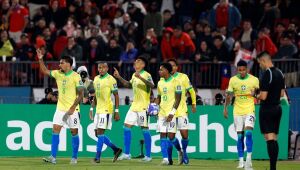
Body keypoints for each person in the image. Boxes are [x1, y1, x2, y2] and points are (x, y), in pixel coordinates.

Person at [38, 49, 84, 164]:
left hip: (73, 110)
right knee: (55, 130)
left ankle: (74, 157)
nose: (59, 65)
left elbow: (81, 94)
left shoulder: (76, 76)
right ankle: (53, 157)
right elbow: (44, 70)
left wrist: (73, 107)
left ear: (68, 64)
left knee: (74, 132)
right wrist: (40, 59)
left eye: (61, 62)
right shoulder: (58, 73)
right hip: (60, 108)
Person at [113, 56, 155, 162]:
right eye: (135, 61)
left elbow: (152, 85)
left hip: (143, 107)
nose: (135, 62)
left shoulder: (146, 74)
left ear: (143, 65)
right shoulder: (134, 75)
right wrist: (119, 77)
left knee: (144, 129)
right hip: (134, 105)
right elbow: (128, 84)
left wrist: (140, 77)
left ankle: (148, 156)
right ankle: (127, 154)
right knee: (126, 127)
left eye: (138, 61)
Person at [223, 60, 259, 169]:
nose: (242, 72)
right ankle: (241, 161)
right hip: (237, 111)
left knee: (248, 133)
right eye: (239, 70)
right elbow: (229, 96)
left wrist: (255, 95)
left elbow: (259, 93)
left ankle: (248, 159)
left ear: (247, 69)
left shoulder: (254, 80)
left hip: (249, 109)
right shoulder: (233, 80)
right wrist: (225, 108)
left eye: (243, 70)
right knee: (239, 137)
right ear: (237, 70)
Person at [255, 52, 285, 170]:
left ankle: (273, 168)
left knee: (269, 137)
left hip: (267, 108)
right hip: (277, 108)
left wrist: (255, 95)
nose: (260, 66)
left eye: (259, 63)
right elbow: (282, 94)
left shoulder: (268, 73)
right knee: (273, 137)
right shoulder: (280, 72)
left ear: (263, 61)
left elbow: (263, 96)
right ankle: (273, 167)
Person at [89, 62, 122, 163]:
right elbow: (96, 96)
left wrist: (116, 111)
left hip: (107, 109)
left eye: (103, 67)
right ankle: (116, 149)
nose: (101, 69)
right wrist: (91, 108)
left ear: (107, 68)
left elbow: (116, 95)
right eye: (99, 67)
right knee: (96, 133)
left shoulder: (111, 79)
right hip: (98, 109)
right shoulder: (96, 79)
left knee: (100, 132)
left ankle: (97, 157)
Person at [167, 59, 197, 165]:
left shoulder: (183, 77)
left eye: (173, 65)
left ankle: (184, 152)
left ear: (176, 67)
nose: (172, 67)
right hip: (170, 112)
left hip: (182, 111)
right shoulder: (165, 79)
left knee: (184, 135)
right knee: (171, 137)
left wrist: (193, 104)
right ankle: (179, 151)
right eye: (169, 66)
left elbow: (191, 91)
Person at [155, 62, 182, 165]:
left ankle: (179, 151)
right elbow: (159, 97)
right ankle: (165, 159)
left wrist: (172, 113)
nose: (159, 71)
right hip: (162, 112)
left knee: (171, 137)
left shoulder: (176, 82)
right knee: (162, 134)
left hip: (172, 113)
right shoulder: (160, 83)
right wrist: (154, 107)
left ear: (167, 70)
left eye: (161, 69)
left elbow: (178, 99)